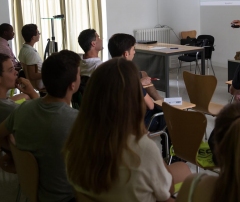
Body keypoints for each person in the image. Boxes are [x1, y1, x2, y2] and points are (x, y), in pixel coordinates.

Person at [65, 58, 191, 202]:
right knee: (186, 173)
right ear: (135, 100)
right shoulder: (143, 148)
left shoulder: (74, 142)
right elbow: (168, 190)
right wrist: (145, 138)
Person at [0, 50, 81, 202]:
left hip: (33, 190)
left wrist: (20, 158)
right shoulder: (77, 121)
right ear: (73, 85)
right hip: (66, 197)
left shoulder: (22, 109)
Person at [108, 33, 164, 129]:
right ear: (126, 54)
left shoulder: (106, 72)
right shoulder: (131, 78)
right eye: (133, 49)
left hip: (113, 119)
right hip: (136, 121)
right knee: (166, 115)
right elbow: (150, 106)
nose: (134, 52)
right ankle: (167, 143)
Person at [0, 53, 39, 125]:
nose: (16, 72)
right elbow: (44, 119)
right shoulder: (11, 110)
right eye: (10, 70)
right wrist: (33, 93)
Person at [18, 23, 44, 89]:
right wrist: (49, 74)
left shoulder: (23, 49)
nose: (39, 34)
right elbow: (32, 76)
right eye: (38, 33)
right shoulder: (31, 53)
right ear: (33, 37)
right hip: (41, 83)